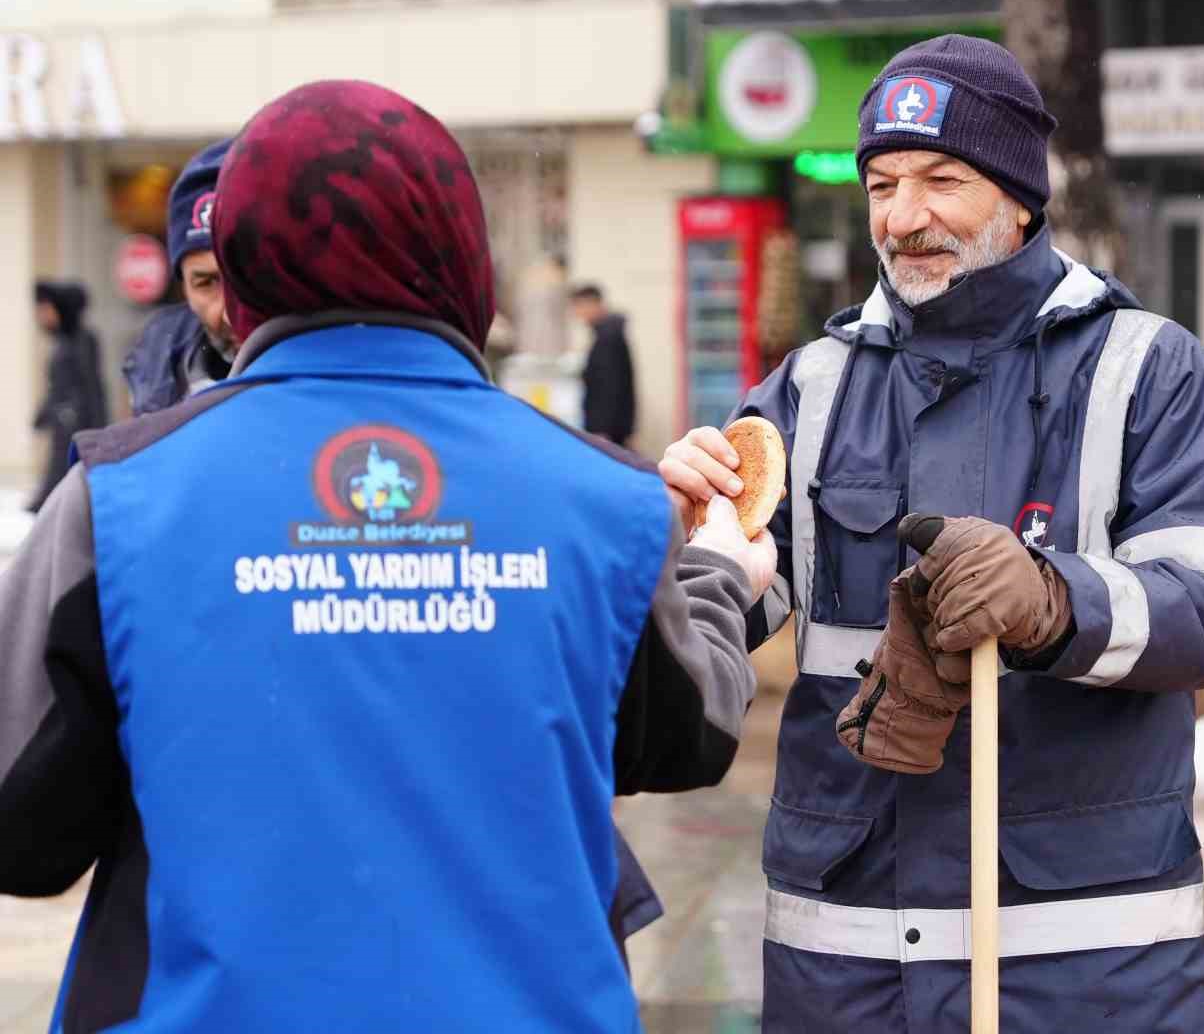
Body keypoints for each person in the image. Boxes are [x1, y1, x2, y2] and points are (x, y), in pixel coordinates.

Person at [0, 80, 772, 1032]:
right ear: (459, 250)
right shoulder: (601, 501)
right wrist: (723, 578)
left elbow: (22, 835)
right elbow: (683, 736)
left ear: (240, 262)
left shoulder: (116, 500)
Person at [660, 35, 1204, 1032]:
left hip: (1084, 971)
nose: (903, 217)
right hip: (848, 972)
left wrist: (1054, 600)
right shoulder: (807, 391)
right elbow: (721, 620)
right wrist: (678, 547)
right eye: (882, 183)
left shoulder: (1149, 369)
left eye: (942, 179)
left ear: (1020, 197)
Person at [122, 140, 238, 415]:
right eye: (206, 283)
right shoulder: (158, 371)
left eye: (243, 278)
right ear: (183, 286)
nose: (230, 315)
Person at [29, 280, 106, 511]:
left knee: (67, 484)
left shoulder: (83, 340)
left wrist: (96, 427)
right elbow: (57, 387)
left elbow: (92, 387)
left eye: (46, 309)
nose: (41, 315)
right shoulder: (62, 343)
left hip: (76, 426)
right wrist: (43, 414)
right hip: (62, 425)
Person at [571, 283, 636, 445]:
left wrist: (602, 429)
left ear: (593, 304)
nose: (577, 313)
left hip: (608, 430)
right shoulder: (606, 334)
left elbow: (609, 387)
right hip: (610, 427)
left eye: (579, 307)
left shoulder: (607, 338)